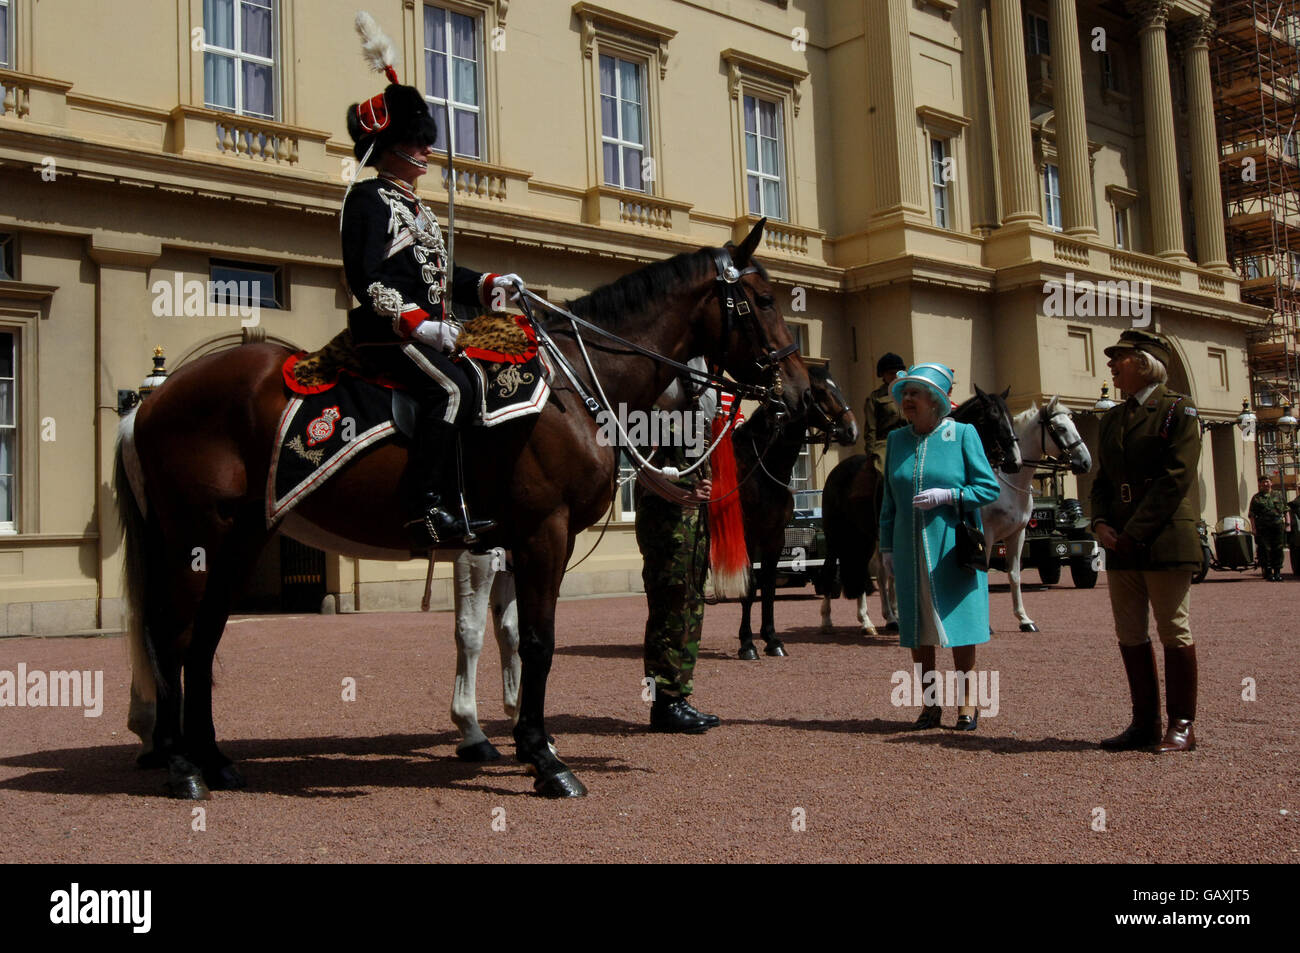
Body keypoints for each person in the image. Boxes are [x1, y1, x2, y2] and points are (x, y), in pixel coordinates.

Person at [342, 19, 524, 549]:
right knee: (451, 388)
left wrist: (494, 286)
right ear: (390, 146)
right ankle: (423, 507)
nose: (425, 151)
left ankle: (466, 494)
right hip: (387, 335)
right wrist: (420, 327)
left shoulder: (416, 207)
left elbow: (442, 279)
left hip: (426, 334)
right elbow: (366, 279)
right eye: (415, 142)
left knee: (482, 379)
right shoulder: (368, 199)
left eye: (424, 142)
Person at [1090, 330, 1201, 753]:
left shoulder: (1178, 410)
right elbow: (1102, 480)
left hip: (1163, 536)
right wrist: (1100, 522)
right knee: (1129, 630)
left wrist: (1133, 533)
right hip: (1119, 540)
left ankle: (1182, 725)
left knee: (1173, 627)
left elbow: (1176, 478)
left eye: (1119, 357)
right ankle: (1144, 723)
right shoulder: (1113, 418)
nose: (1111, 365)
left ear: (1144, 362)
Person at [878, 363, 999, 730]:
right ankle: (930, 705)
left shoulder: (962, 434)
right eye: (904, 394)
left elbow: (988, 488)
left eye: (914, 393)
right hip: (908, 548)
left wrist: (950, 495)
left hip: (951, 548)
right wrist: (886, 547)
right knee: (917, 628)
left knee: (961, 627)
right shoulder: (897, 440)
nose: (907, 399)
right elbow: (889, 502)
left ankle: (967, 703)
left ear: (934, 399)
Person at [635, 367, 720, 734]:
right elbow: (644, 471)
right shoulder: (650, 412)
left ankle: (679, 695)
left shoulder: (694, 416)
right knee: (667, 611)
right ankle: (662, 703)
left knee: (690, 607)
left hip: (693, 523)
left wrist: (702, 488)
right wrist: (685, 491)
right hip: (666, 524)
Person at [863, 352, 907, 477]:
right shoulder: (875, 398)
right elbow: (870, 429)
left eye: (898, 373)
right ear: (882, 375)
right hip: (886, 443)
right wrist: (870, 455)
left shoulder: (909, 393)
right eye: (891, 373)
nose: (895, 376)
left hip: (909, 437)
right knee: (882, 472)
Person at [1249, 475, 1288, 582]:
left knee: (1278, 548)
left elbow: (1285, 510)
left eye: (1267, 481)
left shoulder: (1278, 495)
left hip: (1277, 526)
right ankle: (1268, 572)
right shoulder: (1256, 498)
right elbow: (1252, 515)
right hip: (1263, 528)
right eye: (1263, 482)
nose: (1265, 484)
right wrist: (1254, 528)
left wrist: (1288, 524)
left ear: (1271, 483)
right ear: (1260, 484)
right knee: (1265, 550)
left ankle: (1277, 572)